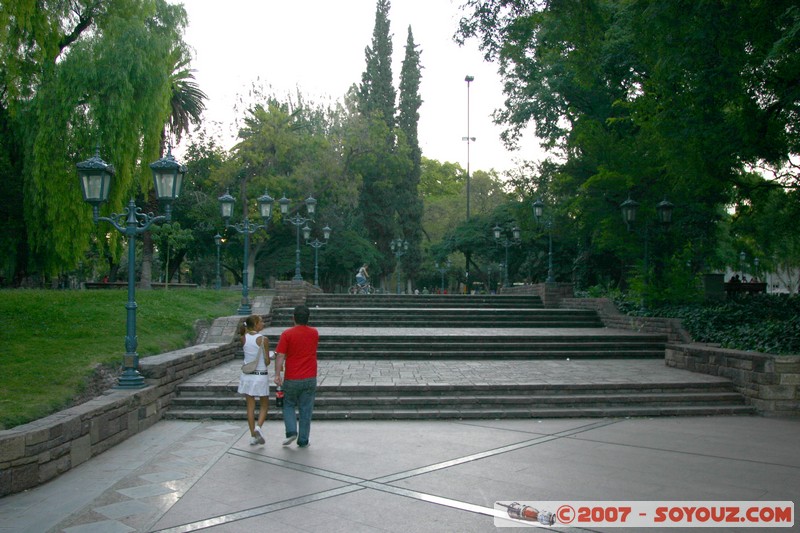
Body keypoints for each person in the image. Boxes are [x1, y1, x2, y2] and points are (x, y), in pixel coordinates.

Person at [273, 304, 319, 448]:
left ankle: (291, 431)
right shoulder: (314, 333)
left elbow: (280, 355)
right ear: (308, 318)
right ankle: (303, 439)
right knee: (306, 408)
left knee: (288, 404)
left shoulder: (287, 334)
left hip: (292, 376)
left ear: (293, 318)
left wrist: (277, 374)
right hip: (310, 376)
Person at [237, 315, 269, 446]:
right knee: (264, 404)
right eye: (261, 321)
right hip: (260, 374)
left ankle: (252, 435)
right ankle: (258, 427)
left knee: (250, 406)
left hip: (247, 375)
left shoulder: (243, 338)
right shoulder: (263, 339)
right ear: (256, 324)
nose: (263, 323)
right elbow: (267, 361)